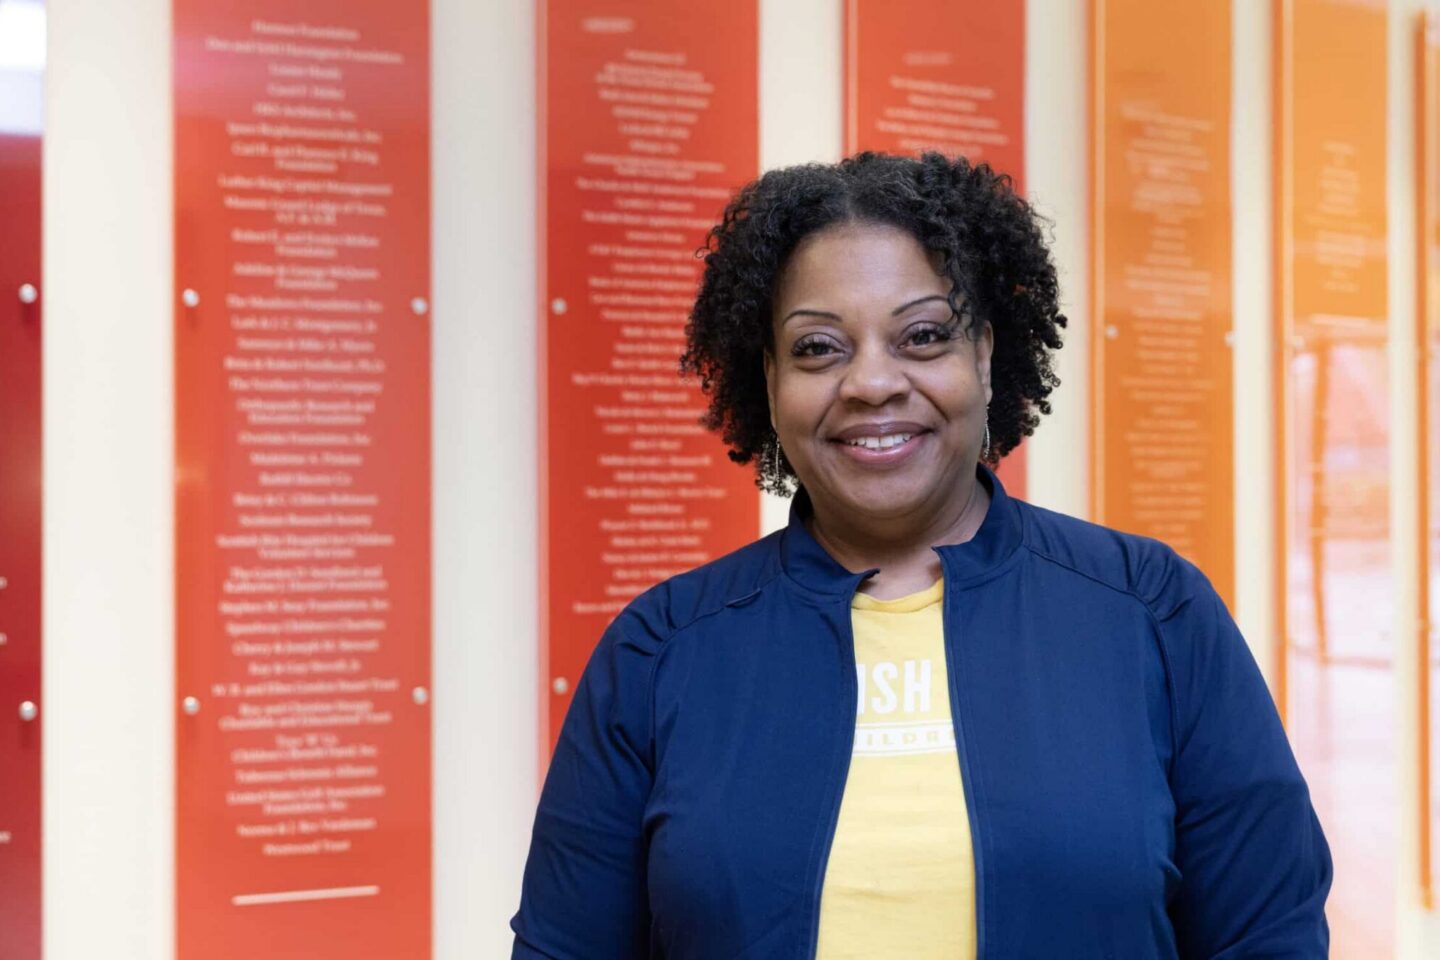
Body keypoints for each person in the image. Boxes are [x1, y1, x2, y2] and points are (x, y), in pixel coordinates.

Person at [511, 152, 1331, 959]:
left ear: (982, 351)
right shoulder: (662, 651)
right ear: (768, 379)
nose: (871, 381)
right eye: (819, 348)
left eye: (923, 336)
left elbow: (1269, 936)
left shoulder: (1153, 614)